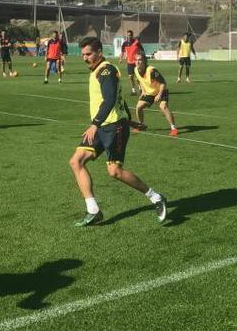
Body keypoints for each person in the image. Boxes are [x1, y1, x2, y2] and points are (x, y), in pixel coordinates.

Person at [68, 37, 167, 226]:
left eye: (88, 54)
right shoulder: (97, 71)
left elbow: (111, 98)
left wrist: (95, 124)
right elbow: (120, 101)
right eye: (83, 55)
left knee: (115, 172)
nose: (85, 58)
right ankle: (93, 210)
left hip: (113, 127)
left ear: (99, 52)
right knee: (76, 161)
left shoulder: (106, 70)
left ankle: (156, 197)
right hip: (103, 126)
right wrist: (130, 120)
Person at [132, 52, 178, 136]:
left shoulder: (151, 71)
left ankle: (173, 128)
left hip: (161, 91)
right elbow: (139, 80)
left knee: (163, 106)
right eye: (136, 60)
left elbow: (163, 83)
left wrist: (159, 95)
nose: (137, 62)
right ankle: (141, 125)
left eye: (140, 60)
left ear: (144, 61)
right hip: (149, 93)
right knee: (138, 107)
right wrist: (143, 91)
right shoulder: (135, 70)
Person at [119, 30, 144, 94]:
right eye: (128, 35)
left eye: (130, 35)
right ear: (127, 35)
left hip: (136, 62)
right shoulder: (124, 43)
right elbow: (122, 52)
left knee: (138, 77)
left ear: (132, 36)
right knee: (130, 77)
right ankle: (133, 90)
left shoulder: (136, 42)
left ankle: (140, 88)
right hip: (129, 62)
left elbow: (142, 50)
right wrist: (121, 59)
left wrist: (141, 58)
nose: (129, 36)